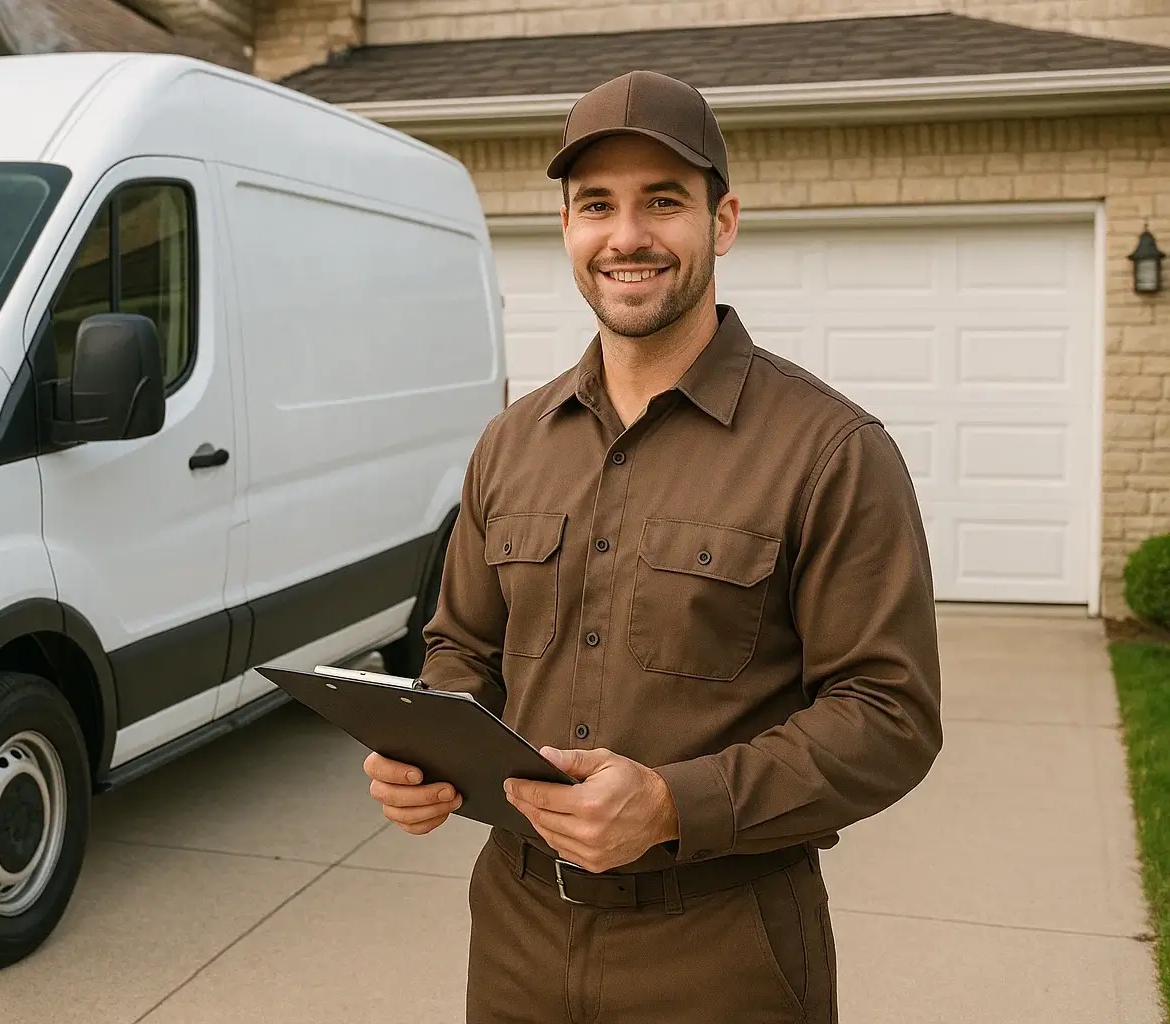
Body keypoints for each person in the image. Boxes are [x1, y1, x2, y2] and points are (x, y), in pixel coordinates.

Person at [363, 69, 943, 1023]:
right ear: (566, 230)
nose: (626, 235)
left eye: (662, 201)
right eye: (597, 205)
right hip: (514, 934)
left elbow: (890, 716)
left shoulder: (833, 452)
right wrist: (428, 745)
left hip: (723, 951)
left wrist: (676, 804)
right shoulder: (509, 444)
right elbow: (460, 646)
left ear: (723, 222)